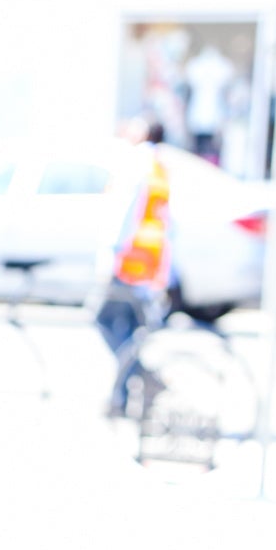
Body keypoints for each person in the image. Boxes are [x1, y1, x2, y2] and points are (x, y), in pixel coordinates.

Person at [95, 121, 175, 415]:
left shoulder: (136, 163)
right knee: (127, 328)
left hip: (127, 263)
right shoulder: (158, 167)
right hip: (145, 265)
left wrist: (110, 256)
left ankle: (143, 380)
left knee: (102, 319)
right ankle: (123, 398)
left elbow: (124, 213)